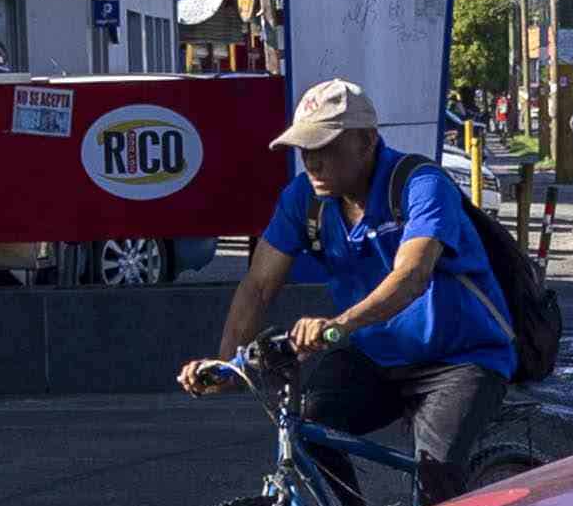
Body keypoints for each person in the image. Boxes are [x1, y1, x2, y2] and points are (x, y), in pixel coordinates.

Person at [187, 75, 519, 483]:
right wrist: (227, 364)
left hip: (460, 359)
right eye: (305, 149)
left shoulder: (421, 184)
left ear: (366, 141)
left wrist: (339, 325)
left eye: (325, 147)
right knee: (308, 428)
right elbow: (258, 286)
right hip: (376, 355)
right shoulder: (303, 200)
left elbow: (412, 275)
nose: (312, 162)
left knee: (436, 478)